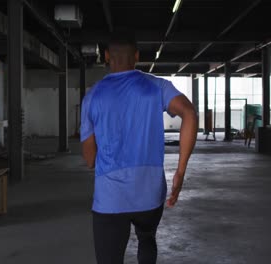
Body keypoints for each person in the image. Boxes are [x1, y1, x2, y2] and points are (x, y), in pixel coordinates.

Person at [80, 30, 198, 264]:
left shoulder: (92, 97)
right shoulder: (158, 87)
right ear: (136, 56)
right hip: (150, 195)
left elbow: (90, 158)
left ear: (106, 56)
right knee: (146, 240)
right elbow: (190, 114)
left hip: (110, 199)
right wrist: (180, 172)